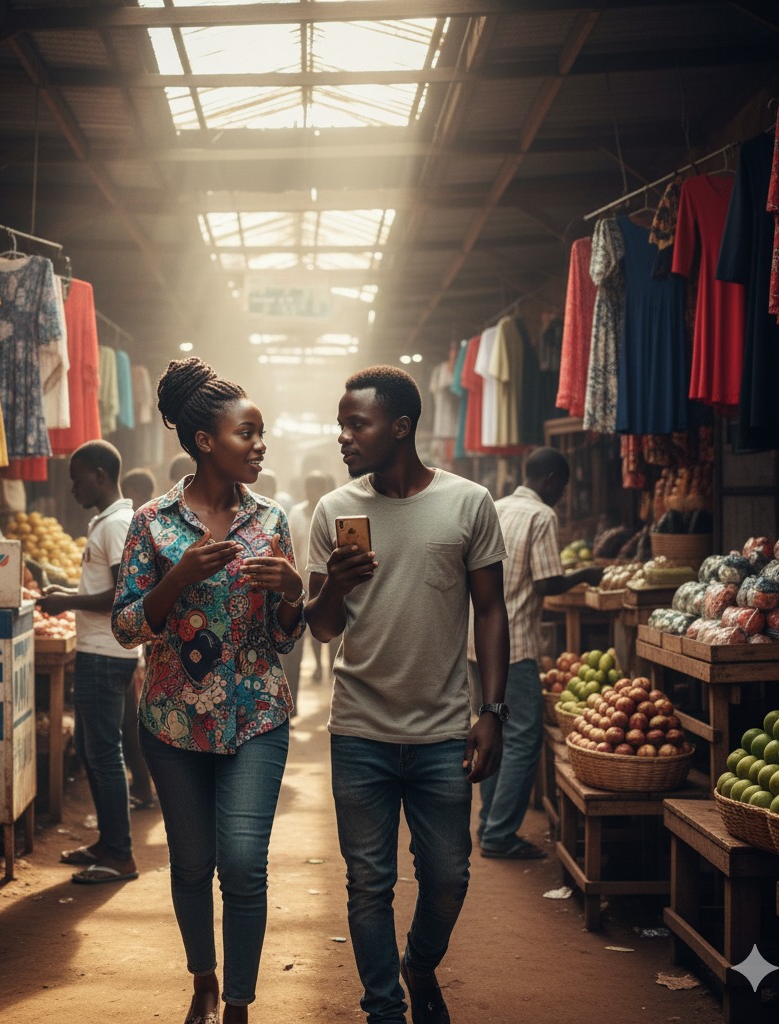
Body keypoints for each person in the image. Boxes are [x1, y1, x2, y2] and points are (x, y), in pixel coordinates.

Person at [304, 365, 510, 1024]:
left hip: (443, 731)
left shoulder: (468, 503)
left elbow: (491, 610)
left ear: (400, 427)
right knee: (368, 883)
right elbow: (323, 628)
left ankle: (419, 965)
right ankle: (384, 1010)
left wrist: (492, 711)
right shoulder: (334, 511)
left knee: (448, 876)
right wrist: (335, 584)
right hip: (359, 729)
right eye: (341, 424)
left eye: (355, 424)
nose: (343, 436)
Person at [112, 357, 305, 1024]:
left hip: (257, 716)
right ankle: (203, 979)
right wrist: (177, 579)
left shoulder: (271, 521)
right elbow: (126, 627)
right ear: (204, 441)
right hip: (173, 723)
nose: (259, 445)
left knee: (244, 863)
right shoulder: (153, 523)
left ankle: (239, 1005)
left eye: (260, 433)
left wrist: (293, 593)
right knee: (192, 864)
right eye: (247, 433)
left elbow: (283, 636)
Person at [468, 446, 603, 860]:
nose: (561, 495)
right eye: (562, 487)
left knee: (492, 730)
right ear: (551, 480)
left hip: (475, 644)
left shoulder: (496, 506)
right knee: (524, 737)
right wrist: (587, 574)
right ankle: (499, 833)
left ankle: (489, 823)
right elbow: (547, 583)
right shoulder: (541, 515)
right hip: (513, 645)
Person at [37, 440, 140, 885]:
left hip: (105, 652)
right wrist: (68, 592)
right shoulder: (109, 521)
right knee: (91, 746)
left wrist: (67, 602)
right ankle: (107, 843)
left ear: (99, 475)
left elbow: (122, 595)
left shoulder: (115, 525)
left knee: (103, 752)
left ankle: (120, 855)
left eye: (77, 478)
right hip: (101, 650)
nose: (73, 487)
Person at [117, 465, 159, 809]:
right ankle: (146, 783)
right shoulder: (146, 521)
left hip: (143, 642)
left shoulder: (142, 523)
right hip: (142, 639)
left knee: (135, 716)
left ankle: (145, 784)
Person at [280, 469, 338, 703]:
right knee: (305, 632)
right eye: (310, 487)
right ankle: (316, 671)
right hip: (301, 583)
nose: (313, 491)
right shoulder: (296, 514)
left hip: (329, 582)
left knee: (331, 630)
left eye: (317, 487)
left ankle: (330, 669)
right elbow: (291, 547)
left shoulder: (332, 513)